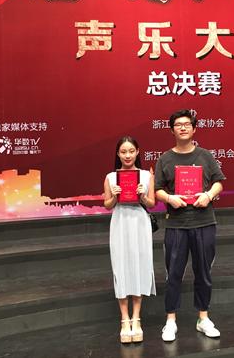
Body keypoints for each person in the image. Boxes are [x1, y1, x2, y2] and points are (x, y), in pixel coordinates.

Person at [154, 109, 226, 342]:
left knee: (203, 272)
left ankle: (203, 318)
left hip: (204, 221)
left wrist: (208, 195)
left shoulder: (205, 156)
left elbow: (219, 182)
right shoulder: (165, 159)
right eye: (178, 125)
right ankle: (170, 320)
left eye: (187, 124)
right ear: (172, 130)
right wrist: (169, 198)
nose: (183, 128)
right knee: (173, 273)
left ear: (194, 129)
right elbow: (157, 189)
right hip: (176, 224)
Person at [103, 136, 156, 344]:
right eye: (123, 152)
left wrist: (143, 196)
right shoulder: (110, 177)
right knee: (121, 266)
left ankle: (137, 318)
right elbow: (107, 205)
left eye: (131, 151)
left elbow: (151, 203)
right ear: (118, 154)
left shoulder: (146, 176)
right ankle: (124, 319)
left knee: (139, 265)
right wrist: (114, 196)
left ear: (138, 152)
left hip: (139, 223)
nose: (127, 155)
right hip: (120, 222)